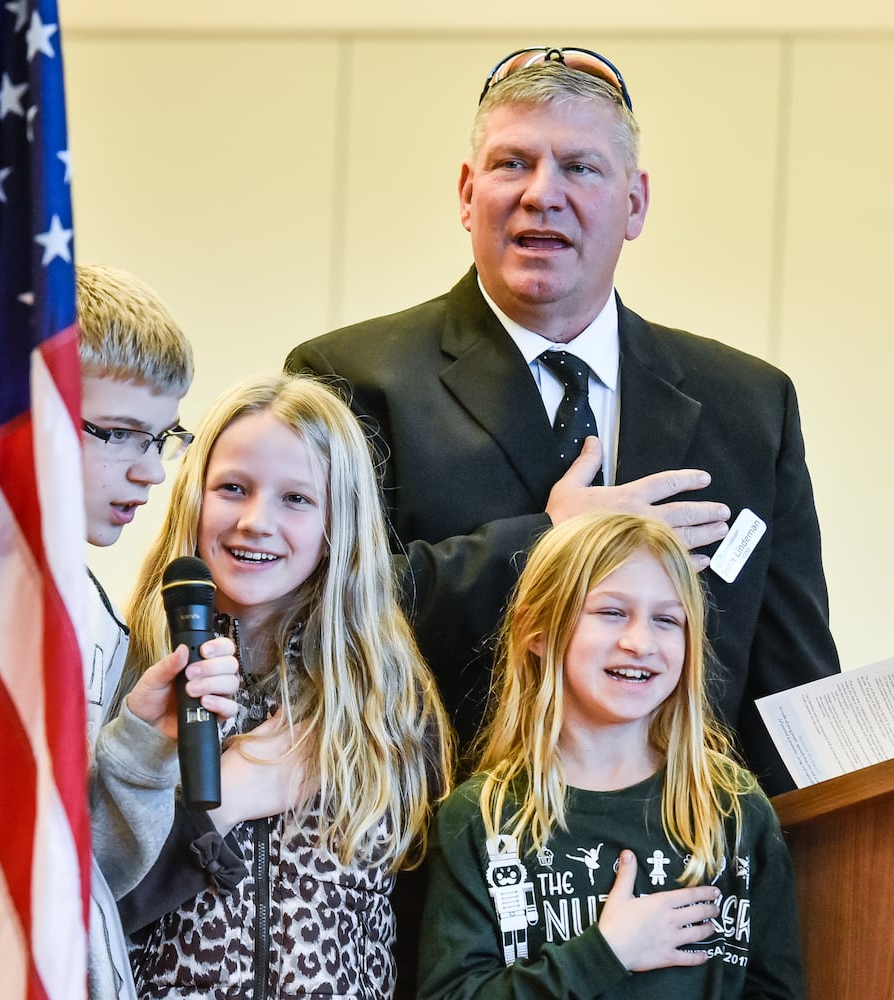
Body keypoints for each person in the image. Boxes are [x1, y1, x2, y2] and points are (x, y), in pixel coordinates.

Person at [286, 47, 840, 795]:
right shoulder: (349, 379)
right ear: (465, 192)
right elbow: (313, 622)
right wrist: (546, 544)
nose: (541, 194)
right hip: (439, 865)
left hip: (687, 876)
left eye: (579, 168)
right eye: (512, 163)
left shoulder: (748, 404)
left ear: (635, 202)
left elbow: (790, 692)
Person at [117, 373, 454, 998]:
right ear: (194, 498)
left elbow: (417, 927)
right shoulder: (130, 675)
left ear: (339, 522)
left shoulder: (387, 698)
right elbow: (85, 917)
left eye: (296, 499)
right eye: (233, 489)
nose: (255, 521)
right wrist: (225, 801)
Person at [418, 512, 803, 997]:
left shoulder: (733, 809)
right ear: (537, 631)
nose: (639, 642)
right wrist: (607, 952)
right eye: (611, 612)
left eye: (666, 620)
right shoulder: (480, 818)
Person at [73, 263, 241, 1000]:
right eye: (119, 435)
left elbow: (84, 881)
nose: (151, 474)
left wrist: (140, 743)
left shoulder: (90, 612)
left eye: (161, 438)